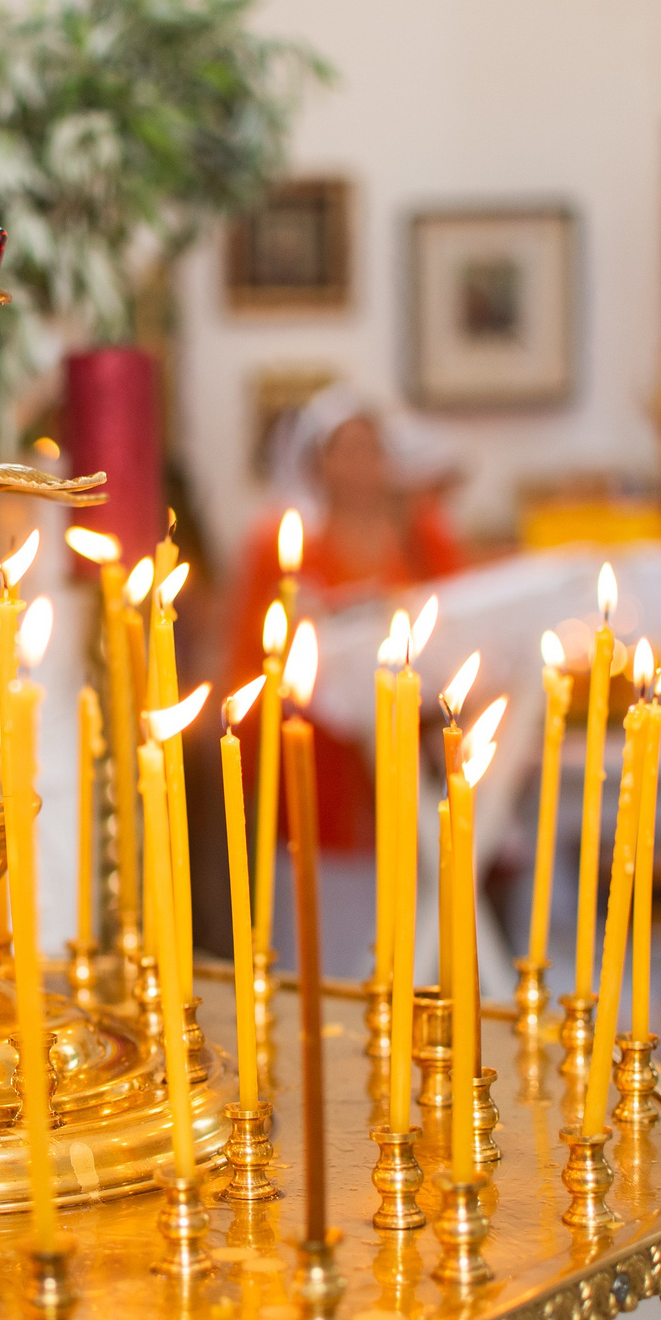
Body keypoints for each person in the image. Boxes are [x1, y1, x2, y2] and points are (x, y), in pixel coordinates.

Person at [229, 388, 470, 968]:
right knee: (320, 952)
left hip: (406, 768)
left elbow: (462, 624)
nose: (363, 464)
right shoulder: (281, 548)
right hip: (320, 776)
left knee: (406, 947)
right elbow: (251, 658)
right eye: (348, 449)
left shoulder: (423, 538)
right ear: (318, 462)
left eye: (373, 449)